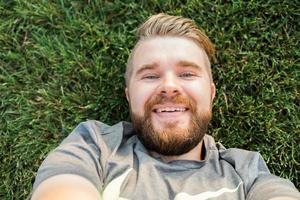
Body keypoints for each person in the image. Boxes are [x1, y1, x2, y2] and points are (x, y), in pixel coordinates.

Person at [31, 13, 300, 200]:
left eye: (187, 74)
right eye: (150, 76)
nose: (169, 86)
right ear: (128, 94)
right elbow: (62, 187)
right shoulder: (95, 147)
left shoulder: (248, 171)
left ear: (211, 92)